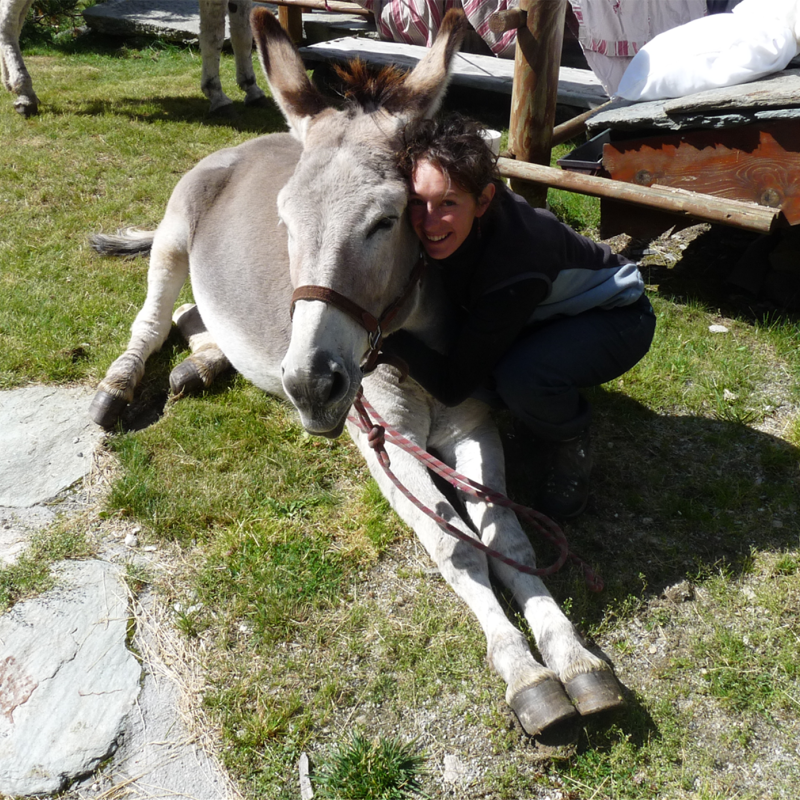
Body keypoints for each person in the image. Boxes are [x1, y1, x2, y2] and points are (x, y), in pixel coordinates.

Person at [384, 115, 656, 519]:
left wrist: (384, 336)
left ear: (484, 201)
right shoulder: (463, 222)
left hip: (617, 317)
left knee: (517, 378)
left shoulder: (513, 266)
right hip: (549, 312)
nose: (427, 221)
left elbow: (454, 385)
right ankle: (538, 407)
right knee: (493, 367)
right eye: (416, 203)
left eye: (447, 203)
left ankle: (571, 440)